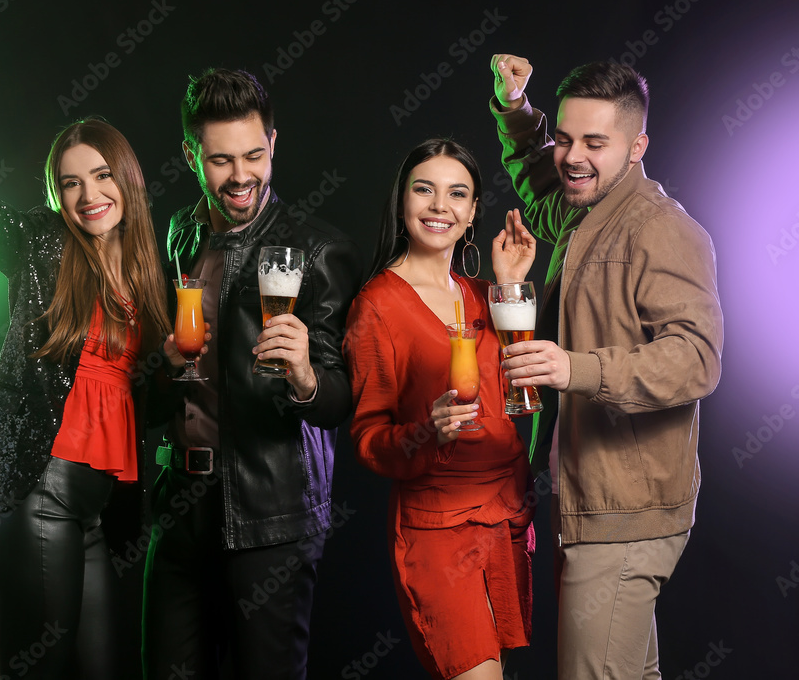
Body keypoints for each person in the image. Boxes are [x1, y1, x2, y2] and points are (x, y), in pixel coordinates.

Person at [0, 23, 183, 679]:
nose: (89, 195)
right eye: (70, 184)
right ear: (55, 196)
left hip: (92, 511)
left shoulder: (158, 277)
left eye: (101, 176)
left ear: (129, 178)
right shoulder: (40, 244)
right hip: (31, 493)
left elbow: (139, 403)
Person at [488, 54, 725, 680]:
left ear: (638, 145)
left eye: (596, 142)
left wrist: (577, 369)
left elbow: (697, 359)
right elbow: (543, 179)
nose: (573, 156)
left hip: (627, 513)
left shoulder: (663, 230)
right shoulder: (582, 207)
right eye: (565, 138)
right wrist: (516, 112)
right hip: (594, 500)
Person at [142, 67, 362, 680]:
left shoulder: (318, 249)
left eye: (254, 155)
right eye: (220, 160)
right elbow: (165, 379)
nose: (241, 177)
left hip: (271, 514)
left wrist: (304, 376)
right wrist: (165, 365)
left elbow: (342, 399)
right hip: (181, 507)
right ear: (191, 155)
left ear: (273, 143)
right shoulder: (181, 232)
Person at [342, 138, 539, 680]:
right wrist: (426, 432)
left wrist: (510, 285)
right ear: (402, 200)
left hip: (505, 516)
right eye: (423, 189)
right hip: (437, 530)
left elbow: (517, 397)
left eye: (457, 194)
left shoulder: (482, 293)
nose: (439, 206)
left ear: (473, 212)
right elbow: (366, 437)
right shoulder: (376, 306)